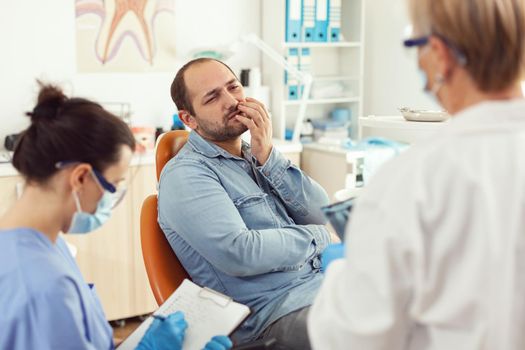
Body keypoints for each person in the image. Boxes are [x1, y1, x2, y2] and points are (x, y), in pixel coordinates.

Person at [308, 0, 525, 349]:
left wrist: (341, 276)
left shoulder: (411, 182)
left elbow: (351, 340)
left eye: (416, 48)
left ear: (440, 54)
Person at [0, 83, 232, 350]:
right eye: (113, 185)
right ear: (81, 177)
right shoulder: (42, 284)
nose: (111, 200)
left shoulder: (46, 246)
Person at [158, 58, 337, 349]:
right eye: (212, 97)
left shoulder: (255, 155)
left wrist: (268, 155)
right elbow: (239, 252)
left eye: (233, 87)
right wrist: (320, 238)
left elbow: (320, 212)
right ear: (188, 119)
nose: (231, 101)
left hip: (320, 287)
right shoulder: (186, 174)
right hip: (274, 314)